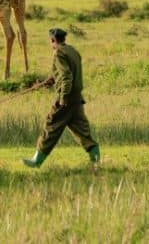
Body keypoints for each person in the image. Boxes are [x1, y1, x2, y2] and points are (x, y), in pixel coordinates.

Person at [23, 28, 100, 168]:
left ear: (53, 40)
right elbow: (66, 72)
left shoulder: (58, 53)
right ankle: (96, 160)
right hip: (77, 97)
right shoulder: (73, 51)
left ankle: (37, 160)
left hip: (66, 98)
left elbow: (66, 76)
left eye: (50, 41)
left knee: (50, 125)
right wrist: (50, 80)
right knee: (82, 130)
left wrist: (63, 97)